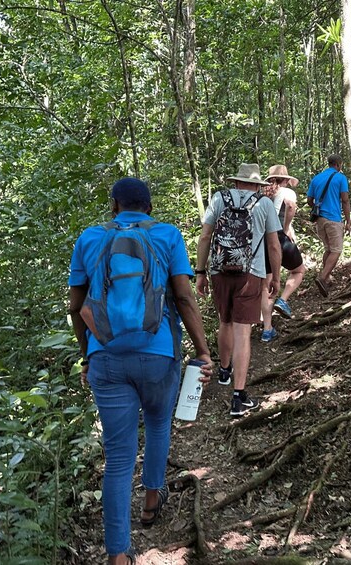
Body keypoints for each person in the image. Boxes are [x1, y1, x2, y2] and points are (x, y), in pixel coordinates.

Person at [69, 177, 212, 565]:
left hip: (107, 358)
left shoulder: (90, 238)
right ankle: (152, 498)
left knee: (117, 458)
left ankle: (118, 554)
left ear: (114, 205)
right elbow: (183, 296)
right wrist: (203, 351)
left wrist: (89, 357)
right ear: (148, 206)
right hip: (158, 354)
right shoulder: (166, 235)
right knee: (158, 423)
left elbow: (75, 306)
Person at [195, 163, 281, 417]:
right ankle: (238, 397)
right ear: (257, 185)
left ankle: (224, 370)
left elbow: (205, 237)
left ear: (236, 182)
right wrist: (275, 276)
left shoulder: (219, 199)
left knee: (225, 322)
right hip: (250, 274)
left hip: (220, 271)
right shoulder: (264, 204)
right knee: (243, 332)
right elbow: (274, 245)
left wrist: (200, 272)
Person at [259, 164, 307, 342]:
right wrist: (286, 228)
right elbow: (291, 207)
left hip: (261, 240)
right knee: (299, 270)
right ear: (285, 179)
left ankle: (267, 329)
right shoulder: (287, 193)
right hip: (278, 237)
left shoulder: (263, 193)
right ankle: (283, 300)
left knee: (266, 283)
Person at [306, 154, 351, 297]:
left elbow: (309, 200)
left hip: (320, 219)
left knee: (328, 248)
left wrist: (318, 207)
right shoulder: (340, 178)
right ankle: (322, 277)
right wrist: (348, 220)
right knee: (336, 250)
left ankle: (326, 279)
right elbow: (345, 200)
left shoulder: (316, 178)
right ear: (338, 164)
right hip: (333, 218)